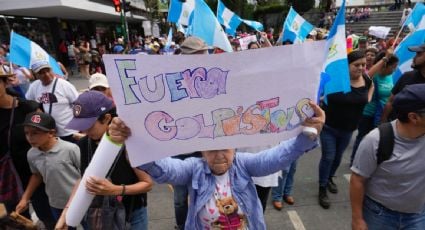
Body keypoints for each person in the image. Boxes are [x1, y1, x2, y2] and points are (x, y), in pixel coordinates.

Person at [108, 101, 325, 229]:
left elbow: (277, 157)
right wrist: (131, 139)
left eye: (226, 149)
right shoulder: (194, 168)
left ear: (235, 148)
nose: (219, 156)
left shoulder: (244, 164)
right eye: (212, 150)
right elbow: (164, 170)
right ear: (202, 151)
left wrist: (308, 134)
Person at [55, 91, 153, 229]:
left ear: (106, 118)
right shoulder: (84, 144)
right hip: (101, 214)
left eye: (88, 125)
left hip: (132, 214)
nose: (84, 131)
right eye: (80, 126)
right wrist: (67, 211)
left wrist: (115, 190)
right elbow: (83, 180)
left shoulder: (128, 143)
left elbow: (147, 183)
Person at [350, 84, 425, 230]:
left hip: (418, 215)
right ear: (414, 117)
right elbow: (357, 180)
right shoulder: (376, 140)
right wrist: (357, 219)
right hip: (379, 215)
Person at [0, 64, 55, 229]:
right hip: (9, 179)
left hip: (37, 176)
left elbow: (49, 138)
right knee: (17, 222)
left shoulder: (28, 108)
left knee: (49, 217)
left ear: (5, 83)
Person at [318, 50, 374, 209]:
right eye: (357, 65)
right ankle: (322, 188)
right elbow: (321, 93)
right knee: (328, 157)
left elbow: (371, 89)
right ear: (347, 66)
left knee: (337, 157)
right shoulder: (336, 80)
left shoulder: (367, 80)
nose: (361, 68)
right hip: (329, 127)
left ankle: (329, 178)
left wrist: (367, 99)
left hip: (348, 129)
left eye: (363, 65)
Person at [15, 112, 81, 224]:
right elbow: (37, 175)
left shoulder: (70, 149)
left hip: (78, 202)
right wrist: (25, 198)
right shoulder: (32, 153)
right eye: (27, 133)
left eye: (35, 133)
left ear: (51, 133)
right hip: (55, 203)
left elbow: (84, 174)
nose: (30, 137)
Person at [351, 49, 398, 164]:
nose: (394, 70)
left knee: (375, 140)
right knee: (362, 138)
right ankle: (355, 160)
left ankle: (367, 161)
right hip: (368, 113)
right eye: (392, 67)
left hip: (381, 113)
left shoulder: (390, 77)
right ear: (385, 66)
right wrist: (385, 58)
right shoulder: (374, 76)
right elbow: (368, 74)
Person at [25, 60, 80, 143]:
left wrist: (78, 122)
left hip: (69, 131)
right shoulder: (34, 86)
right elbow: (28, 103)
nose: (46, 74)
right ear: (36, 75)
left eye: (48, 70)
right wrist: (37, 111)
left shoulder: (64, 85)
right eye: (42, 72)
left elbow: (78, 104)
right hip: (49, 133)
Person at [382, 43, 425, 122]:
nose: (414, 58)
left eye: (419, 54)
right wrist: (383, 121)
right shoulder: (407, 76)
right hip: (399, 125)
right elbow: (390, 101)